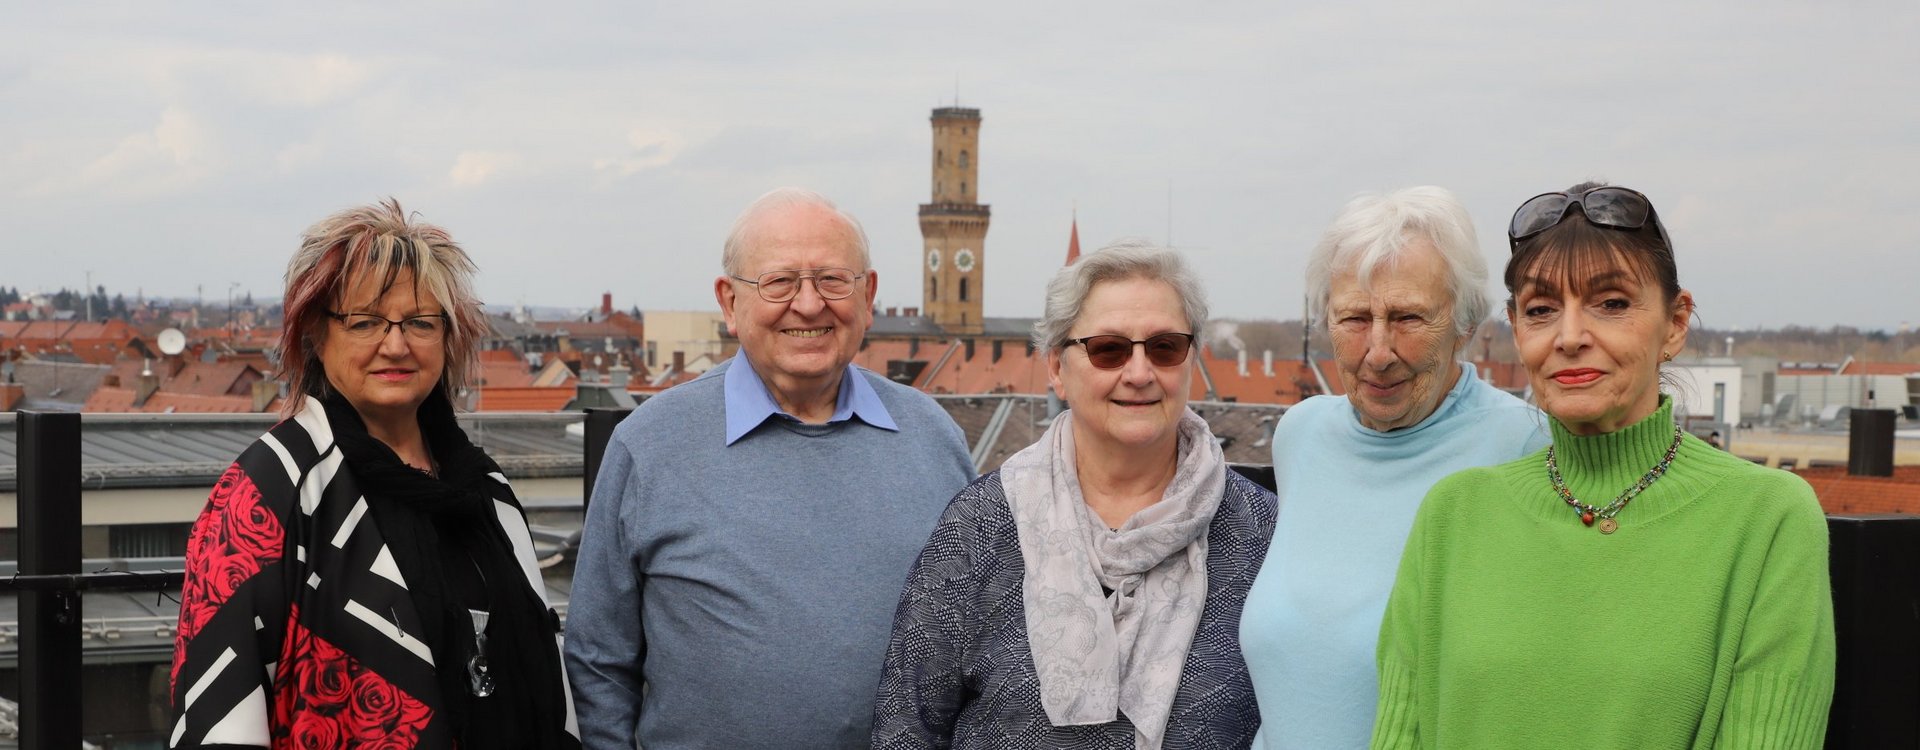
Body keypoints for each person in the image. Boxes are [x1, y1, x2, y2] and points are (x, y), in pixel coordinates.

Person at [1371, 183, 1835, 748]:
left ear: (1676, 322)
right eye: (1541, 310)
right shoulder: (1454, 514)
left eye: (1611, 304)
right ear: (1517, 330)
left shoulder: (1767, 519)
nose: (1570, 337)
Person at [564, 188, 975, 749]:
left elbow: (978, 637)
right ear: (730, 303)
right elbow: (598, 657)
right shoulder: (650, 445)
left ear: (869, 294)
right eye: (779, 282)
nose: (808, 305)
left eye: (832, 280)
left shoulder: (933, 438)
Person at [168, 199, 578, 749]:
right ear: (315, 333)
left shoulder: (486, 492)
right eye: (364, 322)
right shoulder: (269, 490)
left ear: (449, 336)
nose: (396, 344)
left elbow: (550, 680)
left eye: (420, 322)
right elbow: (219, 713)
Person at [873, 241, 1276, 749]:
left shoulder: (1262, 534)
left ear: (1190, 359)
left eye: (1164, 347)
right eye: (1108, 349)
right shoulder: (980, 528)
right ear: (1057, 369)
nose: (1139, 372)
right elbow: (906, 729)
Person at [1238, 186, 1549, 749]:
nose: (1378, 352)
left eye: (1408, 317)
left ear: (1465, 322)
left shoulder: (1525, 448)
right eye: (1354, 318)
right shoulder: (1301, 434)